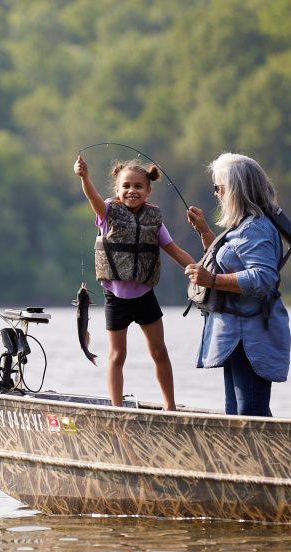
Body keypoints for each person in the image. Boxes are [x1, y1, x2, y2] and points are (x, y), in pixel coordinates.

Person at [74, 155, 196, 411]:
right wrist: (85, 177)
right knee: (117, 355)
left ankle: (170, 407)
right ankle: (117, 409)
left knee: (159, 352)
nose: (132, 191)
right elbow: (93, 198)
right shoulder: (107, 213)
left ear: (148, 190)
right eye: (126, 186)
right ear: (117, 190)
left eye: (138, 186)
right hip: (115, 298)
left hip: (144, 296)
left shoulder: (154, 219)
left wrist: (199, 271)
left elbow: (175, 251)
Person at [185, 152, 290, 417]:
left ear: (236, 190)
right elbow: (230, 260)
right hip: (236, 332)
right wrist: (205, 232)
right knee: (235, 411)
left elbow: (263, 278)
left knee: (250, 412)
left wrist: (212, 280)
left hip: (251, 333)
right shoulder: (242, 226)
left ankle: (263, 459)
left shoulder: (255, 228)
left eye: (218, 188)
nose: (216, 195)